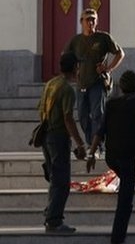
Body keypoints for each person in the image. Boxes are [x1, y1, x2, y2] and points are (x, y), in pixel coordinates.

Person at [87, 71, 135, 244]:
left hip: (112, 156)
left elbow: (100, 131)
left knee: (125, 179)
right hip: (128, 156)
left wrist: (91, 154)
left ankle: (125, 185)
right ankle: (117, 239)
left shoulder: (111, 104)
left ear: (121, 87)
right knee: (125, 202)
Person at [64, 8, 125, 151]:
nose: (90, 22)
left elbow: (120, 53)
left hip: (98, 82)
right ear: (81, 22)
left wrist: (108, 68)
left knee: (98, 114)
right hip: (81, 84)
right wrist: (73, 70)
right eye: (87, 19)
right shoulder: (76, 40)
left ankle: (97, 146)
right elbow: (65, 56)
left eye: (93, 19)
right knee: (82, 115)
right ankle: (91, 141)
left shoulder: (103, 38)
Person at [39, 52, 86, 233]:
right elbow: (68, 118)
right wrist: (80, 143)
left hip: (46, 135)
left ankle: (50, 212)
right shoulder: (67, 89)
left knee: (54, 178)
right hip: (58, 137)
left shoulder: (51, 83)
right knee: (62, 181)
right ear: (75, 68)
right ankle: (54, 220)